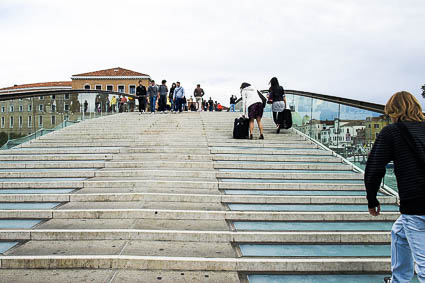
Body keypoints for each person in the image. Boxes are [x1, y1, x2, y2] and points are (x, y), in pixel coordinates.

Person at [365, 91, 425, 283]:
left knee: (423, 265)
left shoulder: (392, 132)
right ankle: (399, 280)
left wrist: (372, 200)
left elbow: (374, 167)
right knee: (398, 233)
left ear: (394, 111)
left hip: (417, 204)